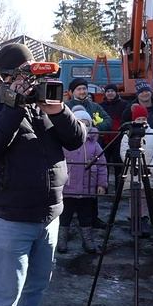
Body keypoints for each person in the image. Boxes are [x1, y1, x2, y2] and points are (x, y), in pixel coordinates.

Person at [0, 43, 86, 306]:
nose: (31, 83)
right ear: (6, 77)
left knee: (37, 285)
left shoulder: (46, 99)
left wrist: (58, 111)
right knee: (7, 294)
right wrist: (13, 105)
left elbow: (76, 141)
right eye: (24, 75)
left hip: (50, 215)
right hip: (10, 217)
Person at [58, 106, 107, 254]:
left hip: (87, 188)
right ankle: (61, 240)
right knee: (64, 215)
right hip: (68, 187)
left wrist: (102, 184)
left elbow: (102, 165)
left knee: (86, 216)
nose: (83, 126)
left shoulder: (94, 144)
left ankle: (88, 241)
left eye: (86, 123)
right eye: (80, 122)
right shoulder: (65, 142)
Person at [119, 105, 153, 238]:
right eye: (139, 118)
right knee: (134, 197)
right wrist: (135, 165)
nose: (142, 121)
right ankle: (134, 220)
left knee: (146, 197)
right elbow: (123, 151)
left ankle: (145, 220)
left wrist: (152, 167)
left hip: (149, 171)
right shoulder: (128, 134)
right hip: (134, 171)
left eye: (144, 118)